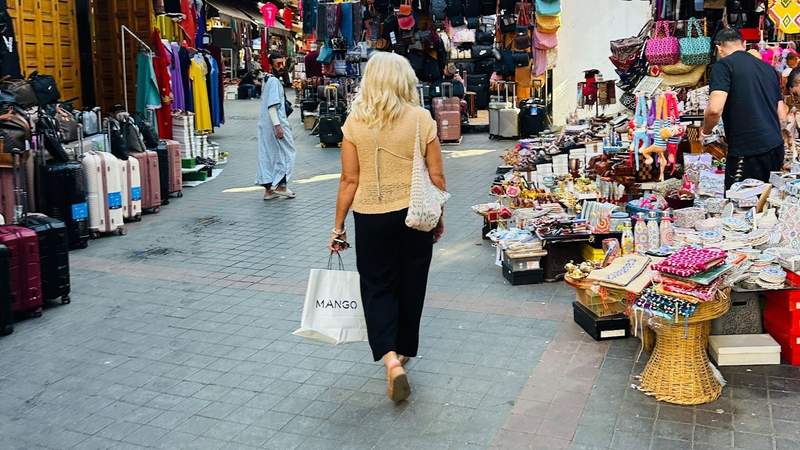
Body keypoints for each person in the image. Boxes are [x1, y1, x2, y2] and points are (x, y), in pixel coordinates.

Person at [328, 52, 446, 403]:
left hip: (369, 218)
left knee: (377, 286)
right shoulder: (421, 119)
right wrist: (439, 216)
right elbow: (436, 175)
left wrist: (338, 227)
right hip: (414, 216)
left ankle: (391, 359)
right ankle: (404, 349)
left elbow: (349, 179)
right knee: (412, 284)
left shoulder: (355, 123)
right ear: (403, 81)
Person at [702, 28, 787, 190]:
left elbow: (714, 109)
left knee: (739, 205)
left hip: (748, 151)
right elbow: (782, 115)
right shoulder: (768, 69)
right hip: (775, 148)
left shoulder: (723, 67)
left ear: (719, 48)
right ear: (744, 44)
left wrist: (705, 132)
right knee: (767, 203)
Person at [255, 53, 296, 200]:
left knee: (268, 155)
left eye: (282, 63)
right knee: (287, 153)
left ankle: (269, 190)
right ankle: (281, 185)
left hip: (267, 124)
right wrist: (278, 126)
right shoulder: (273, 82)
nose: (281, 67)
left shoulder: (268, 79)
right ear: (272, 65)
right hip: (275, 123)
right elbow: (272, 106)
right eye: (278, 64)